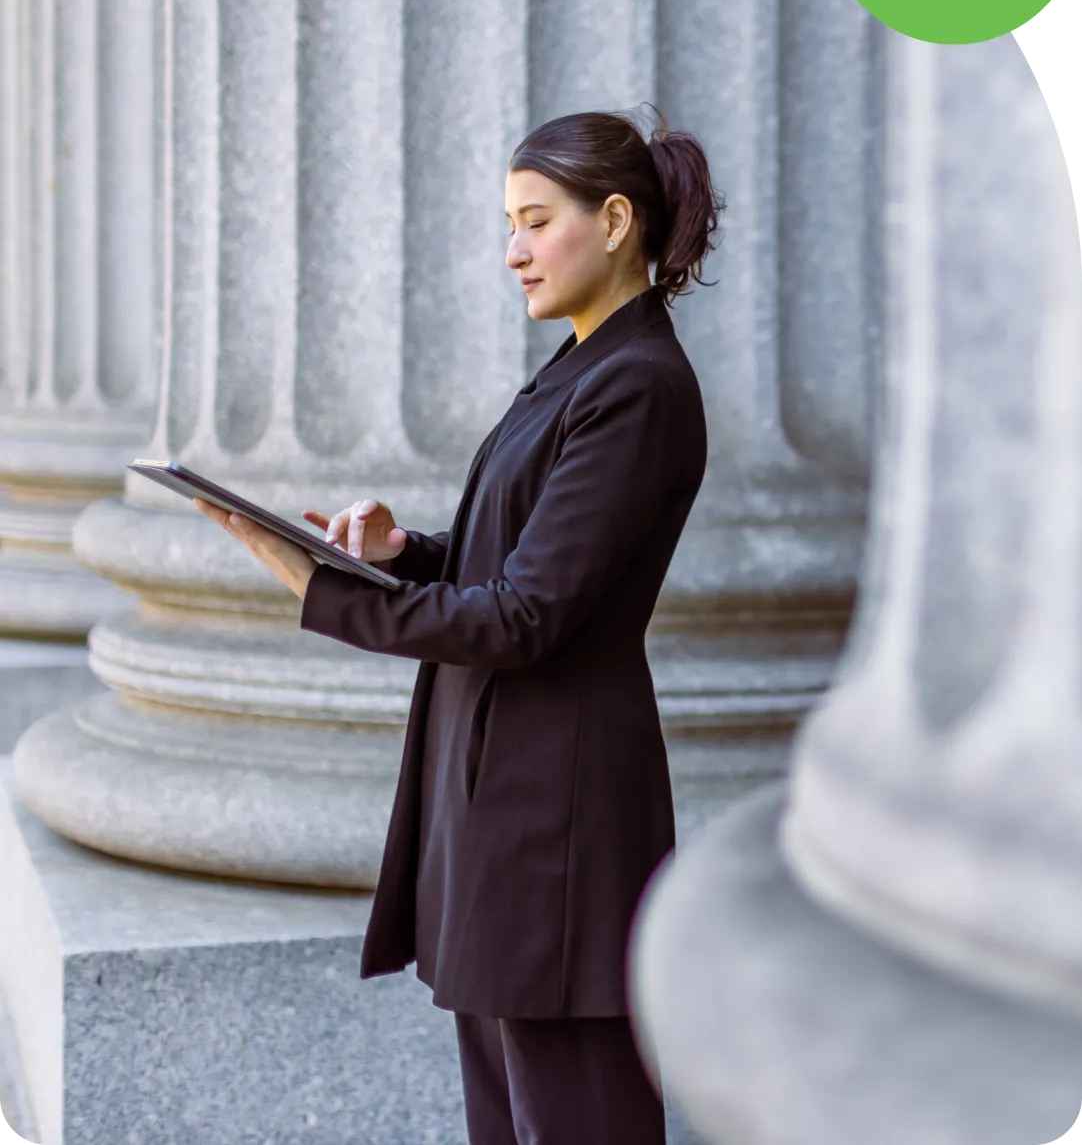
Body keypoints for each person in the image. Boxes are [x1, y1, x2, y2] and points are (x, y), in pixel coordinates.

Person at [195, 105, 722, 1144]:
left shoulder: (637, 386)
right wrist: (402, 554)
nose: (512, 251)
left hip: (556, 823)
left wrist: (322, 591)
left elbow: (527, 618)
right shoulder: (582, 368)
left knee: (579, 1116)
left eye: (534, 221)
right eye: (509, 224)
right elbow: (524, 565)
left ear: (614, 220)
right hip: (502, 811)